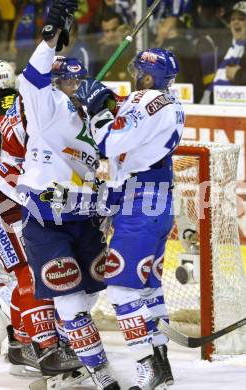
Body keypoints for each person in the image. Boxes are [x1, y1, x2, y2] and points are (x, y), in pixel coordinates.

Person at [17, 1, 120, 389]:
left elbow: (115, 152)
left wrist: (102, 114)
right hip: (47, 220)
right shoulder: (45, 106)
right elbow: (33, 77)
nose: (68, 88)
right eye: (61, 82)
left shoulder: (93, 112)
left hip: (85, 217)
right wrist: (51, 36)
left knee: (92, 291)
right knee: (71, 300)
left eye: (75, 82)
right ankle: (100, 374)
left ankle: (66, 355)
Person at [0, 58, 83, 379]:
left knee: (28, 270)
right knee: (29, 272)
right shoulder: (13, 104)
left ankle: (20, 342)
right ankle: (44, 349)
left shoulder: (15, 103)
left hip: (3, 195)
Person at [76, 47, 184, 389]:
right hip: (158, 201)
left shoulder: (143, 99)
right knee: (148, 290)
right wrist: (107, 98)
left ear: (148, 77)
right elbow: (129, 111)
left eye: (137, 70)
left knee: (122, 291)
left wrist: (96, 110)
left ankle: (146, 366)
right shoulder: (168, 102)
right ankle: (162, 367)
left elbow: (109, 142)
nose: (132, 74)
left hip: (140, 203)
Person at [201, 1, 246, 103]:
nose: (235, 22)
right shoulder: (225, 48)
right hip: (212, 106)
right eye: (232, 19)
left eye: (241, 19)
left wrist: (238, 75)